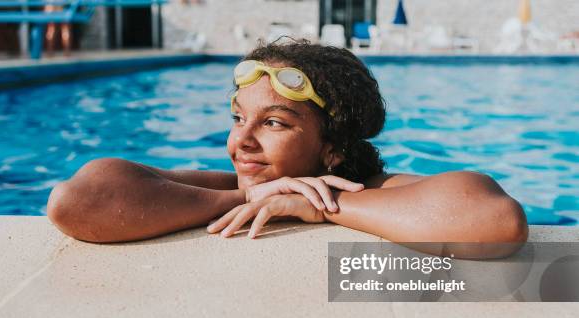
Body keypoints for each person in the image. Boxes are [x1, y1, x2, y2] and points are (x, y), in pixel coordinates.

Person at [47, 41, 528, 258]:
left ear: (334, 148)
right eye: (239, 118)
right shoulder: (229, 185)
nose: (241, 141)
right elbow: (76, 202)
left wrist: (320, 206)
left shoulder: (372, 190)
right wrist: (252, 198)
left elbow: (495, 222)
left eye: (273, 122)